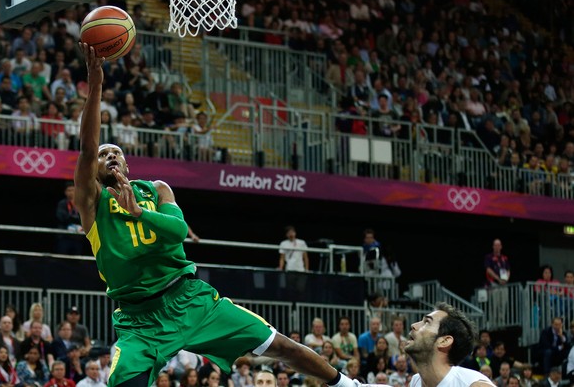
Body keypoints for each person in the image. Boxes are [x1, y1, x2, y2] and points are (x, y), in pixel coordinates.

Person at [74, 43, 371, 387]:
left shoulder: (155, 189)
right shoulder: (92, 203)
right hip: (139, 318)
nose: (109, 155)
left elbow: (178, 230)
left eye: (116, 152)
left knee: (280, 346)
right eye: (102, 154)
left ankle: (351, 385)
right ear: (92, 170)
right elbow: (85, 146)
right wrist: (96, 83)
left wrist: (140, 213)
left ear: (128, 163)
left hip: (190, 298)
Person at [406, 302, 496, 387]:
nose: (414, 325)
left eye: (427, 322)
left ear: (444, 341)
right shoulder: (415, 382)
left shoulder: (474, 384)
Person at [484, 239, 510, 327]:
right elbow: (488, 270)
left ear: (501, 247)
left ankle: (502, 324)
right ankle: (493, 325)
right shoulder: (489, 257)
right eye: (495, 245)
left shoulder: (504, 258)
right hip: (494, 285)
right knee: (494, 306)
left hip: (503, 285)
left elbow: (508, 270)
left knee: (503, 306)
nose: (497, 247)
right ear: (493, 246)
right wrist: (498, 279)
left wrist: (506, 279)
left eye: (499, 245)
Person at [56, 182, 85, 255]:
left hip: (78, 237)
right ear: (65, 192)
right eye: (69, 190)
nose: (71, 192)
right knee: (62, 259)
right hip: (64, 236)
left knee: (77, 261)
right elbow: (61, 217)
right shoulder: (62, 203)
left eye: (73, 190)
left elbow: (85, 218)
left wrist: (72, 218)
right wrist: (76, 219)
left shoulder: (81, 203)